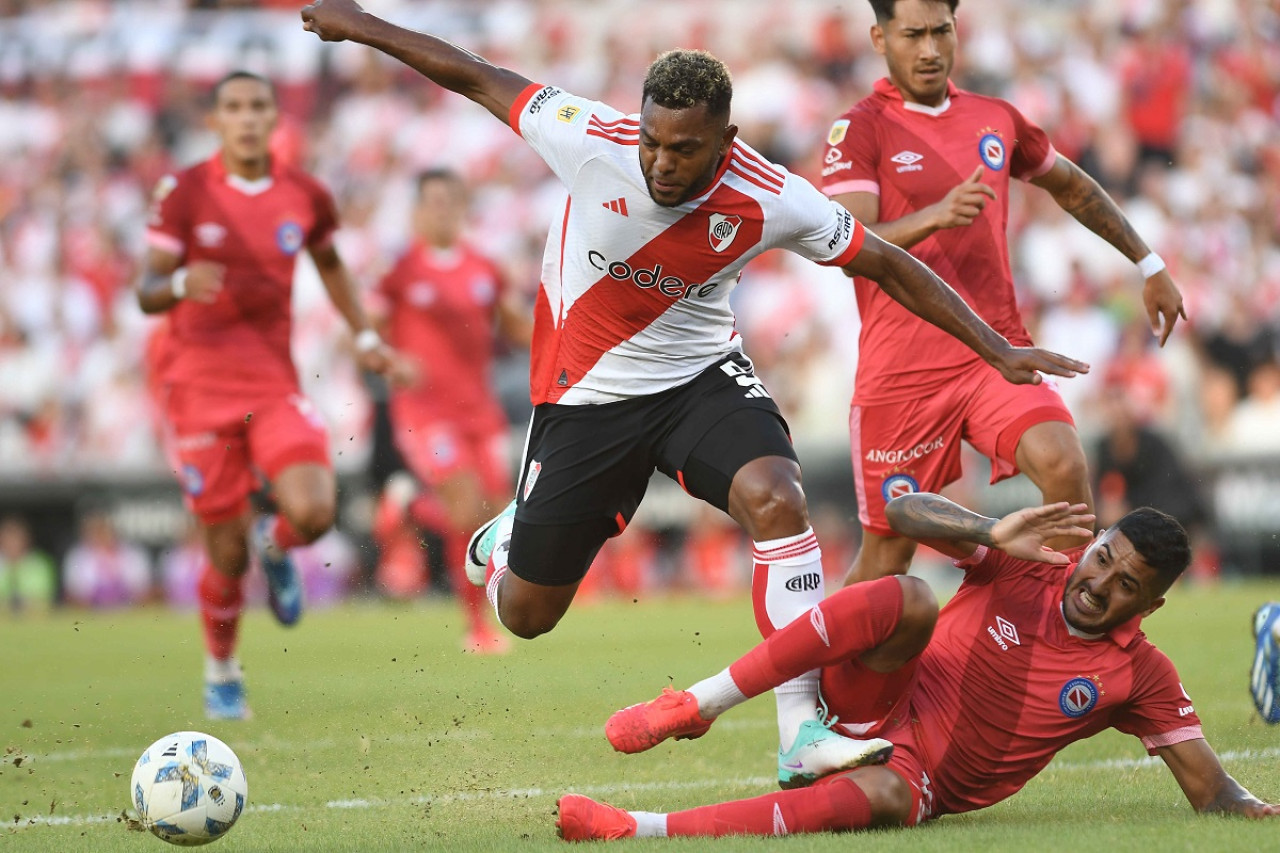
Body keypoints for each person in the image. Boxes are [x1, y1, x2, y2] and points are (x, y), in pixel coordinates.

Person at [301, 0, 1085, 787]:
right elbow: (474, 74)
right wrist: (358, 22)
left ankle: (799, 731)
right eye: (652, 143)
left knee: (778, 497)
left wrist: (997, 347)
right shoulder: (586, 137)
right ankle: (503, 541)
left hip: (696, 380)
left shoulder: (771, 193)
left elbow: (886, 262)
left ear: (727, 142)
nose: (663, 164)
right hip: (585, 402)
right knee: (528, 615)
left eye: (685, 149)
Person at [558, 493, 1280, 840]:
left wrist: (1261, 810)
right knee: (908, 596)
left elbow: (1210, 788)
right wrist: (988, 529)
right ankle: (699, 703)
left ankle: (637, 827)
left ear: (1149, 606)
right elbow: (903, 513)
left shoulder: (1141, 673)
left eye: (1128, 584)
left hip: (922, 776)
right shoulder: (1028, 559)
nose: (1099, 583)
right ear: (1091, 543)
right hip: (872, 698)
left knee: (882, 801)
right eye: (1103, 558)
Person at [821, 0, 1187, 585]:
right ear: (878, 36)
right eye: (913, 34)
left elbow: (1071, 185)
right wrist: (935, 216)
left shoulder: (996, 117)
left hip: (998, 352)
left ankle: (1058, 649)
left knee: (1065, 470)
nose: (930, 49)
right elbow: (850, 245)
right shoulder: (859, 128)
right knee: (890, 555)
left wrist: (1149, 262)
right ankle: (823, 676)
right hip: (903, 371)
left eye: (942, 31)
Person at [137, 69, 403, 720]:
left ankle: (278, 543)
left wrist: (366, 333)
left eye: (259, 106)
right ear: (215, 120)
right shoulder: (186, 193)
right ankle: (222, 669)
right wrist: (176, 287)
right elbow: (147, 289)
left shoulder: (304, 193)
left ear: (275, 117)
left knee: (314, 511)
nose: (248, 117)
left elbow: (332, 265)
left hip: (272, 382)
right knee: (223, 553)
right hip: (197, 388)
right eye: (234, 107)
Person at [370, 168, 531, 653]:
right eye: (432, 201)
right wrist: (392, 360)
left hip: (479, 410)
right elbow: (364, 335)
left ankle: (412, 508)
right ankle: (477, 628)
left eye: (450, 201)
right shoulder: (398, 270)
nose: (442, 209)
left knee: (493, 516)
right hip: (424, 410)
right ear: (417, 210)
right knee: (464, 506)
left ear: (463, 207)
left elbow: (517, 329)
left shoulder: (485, 268)